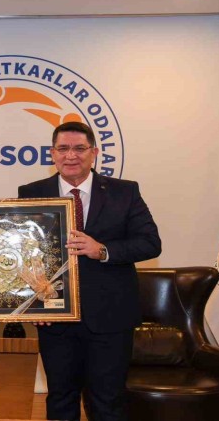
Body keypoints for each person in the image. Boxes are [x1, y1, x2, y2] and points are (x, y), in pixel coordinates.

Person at [18, 122, 161, 421]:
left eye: (79, 148)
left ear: (94, 153)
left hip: (110, 317)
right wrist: (32, 304)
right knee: (60, 398)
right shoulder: (31, 192)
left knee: (107, 401)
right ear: (52, 154)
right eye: (63, 148)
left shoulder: (124, 192)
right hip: (55, 316)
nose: (71, 155)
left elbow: (150, 243)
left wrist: (103, 250)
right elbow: (22, 254)